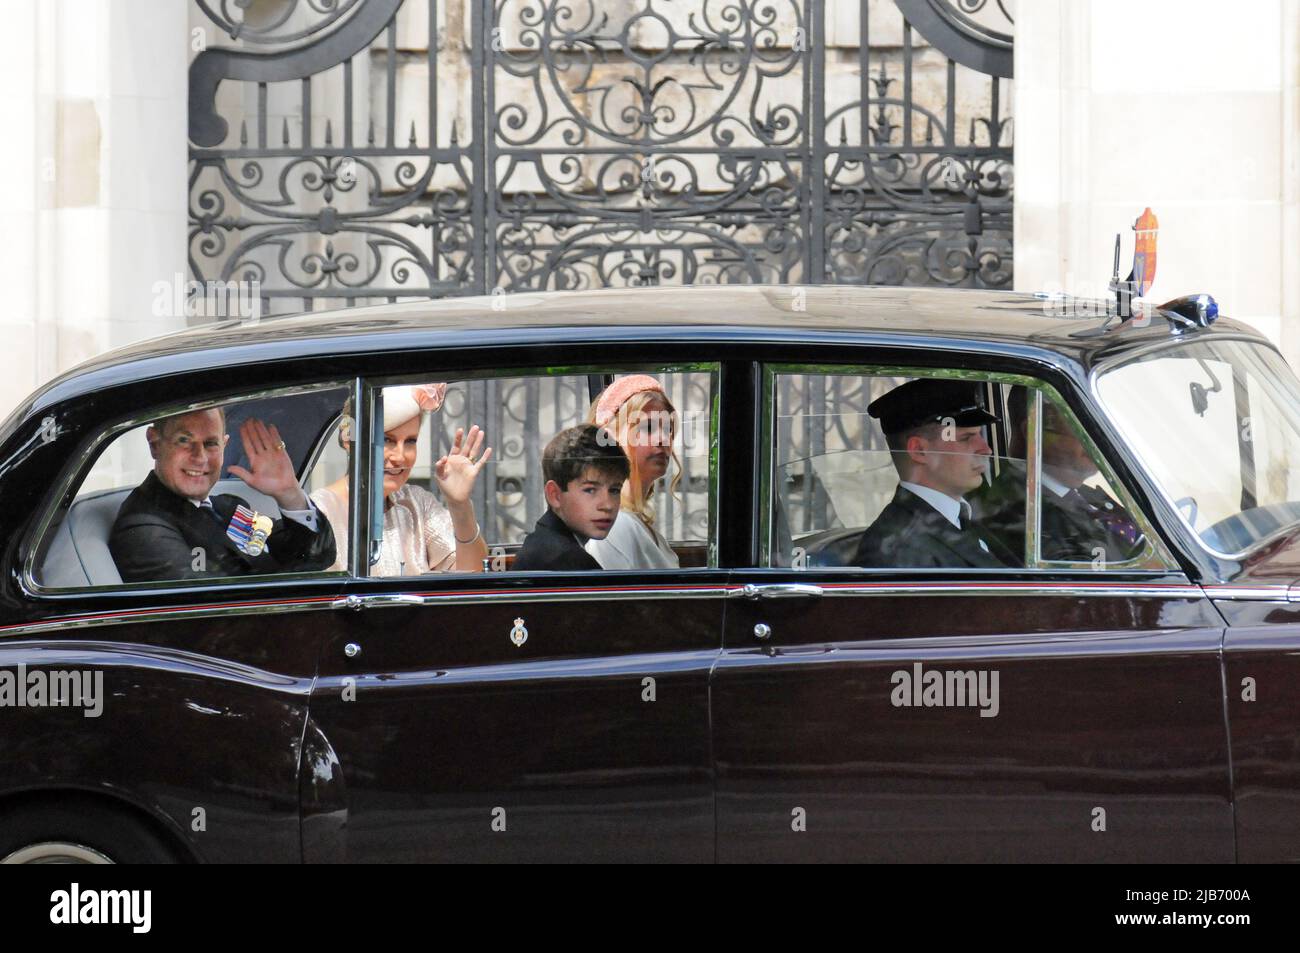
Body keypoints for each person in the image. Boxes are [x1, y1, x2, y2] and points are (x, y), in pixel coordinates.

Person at [109, 407, 336, 582]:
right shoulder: (143, 528)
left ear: (225, 446)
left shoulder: (227, 507)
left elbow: (316, 556)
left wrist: (289, 493)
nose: (200, 457)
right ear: (155, 443)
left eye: (211, 444)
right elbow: (210, 610)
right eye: (184, 440)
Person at [311, 384, 491, 575]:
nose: (400, 456)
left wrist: (459, 504)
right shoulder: (319, 512)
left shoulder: (418, 503)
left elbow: (472, 573)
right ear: (349, 442)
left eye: (410, 441)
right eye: (387, 440)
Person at [853, 378, 1018, 569]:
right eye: (966, 438)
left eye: (979, 435)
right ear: (920, 451)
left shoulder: (965, 517)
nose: (985, 449)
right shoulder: (900, 548)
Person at [976, 389, 1144, 563]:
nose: (1099, 438)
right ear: (1035, 432)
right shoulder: (1015, 512)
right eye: (1083, 427)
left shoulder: (1082, 495)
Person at [583, 375, 681, 570]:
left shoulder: (636, 525)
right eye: (648, 427)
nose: (663, 439)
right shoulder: (614, 527)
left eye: (668, 428)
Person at [512, 424, 630, 572]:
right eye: (590, 490)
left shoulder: (546, 543)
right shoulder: (567, 561)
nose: (607, 505)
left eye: (614, 490)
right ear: (555, 495)